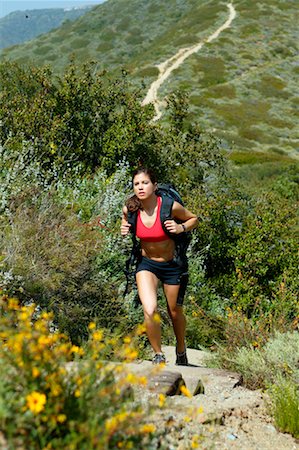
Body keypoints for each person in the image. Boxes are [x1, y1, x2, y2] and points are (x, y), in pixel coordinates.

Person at [121, 167, 198, 365]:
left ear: (154, 186)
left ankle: (181, 349)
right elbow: (124, 221)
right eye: (136, 184)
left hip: (173, 265)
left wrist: (181, 227)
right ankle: (158, 354)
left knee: (174, 311)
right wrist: (123, 227)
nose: (140, 187)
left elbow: (194, 219)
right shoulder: (130, 209)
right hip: (147, 265)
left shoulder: (170, 206)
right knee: (150, 308)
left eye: (145, 183)